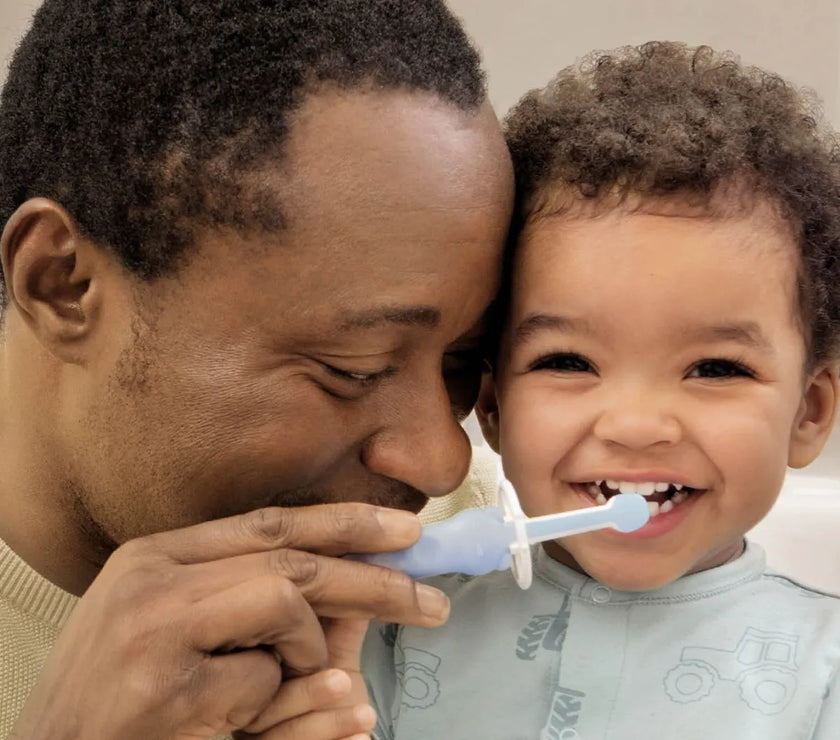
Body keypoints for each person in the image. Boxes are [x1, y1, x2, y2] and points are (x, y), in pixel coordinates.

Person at [0, 1, 513, 738]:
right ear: (61, 283)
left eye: (464, 361)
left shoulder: (505, 558)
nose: (442, 462)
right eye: (354, 368)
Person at [360, 42, 840, 738]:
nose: (637, 425)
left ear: (810, 413)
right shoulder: (398, 632)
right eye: (568, 361)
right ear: (493, 407)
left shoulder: (824, 672)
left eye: (715, 369)